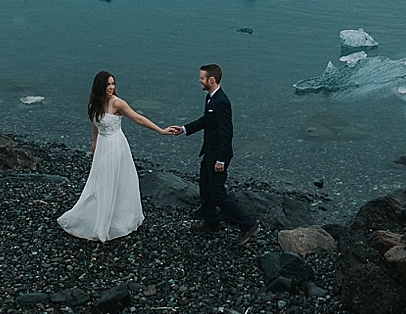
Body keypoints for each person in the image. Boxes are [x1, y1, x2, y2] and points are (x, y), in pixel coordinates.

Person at [58, 71, 180, 242]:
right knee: (100, 181)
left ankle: (116, 218)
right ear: (100, 86)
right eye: (108, 84)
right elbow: (95, 123)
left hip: (116, 146)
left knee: (116, 180)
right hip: (103, 146)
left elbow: (138, 119)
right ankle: (100, 214)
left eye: (113, 83)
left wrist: (161, 131)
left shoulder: (118, 103)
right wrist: (94, 142)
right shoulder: (94, 102)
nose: (112, 87)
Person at [172, 64, 259, 245]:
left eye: (202, 78)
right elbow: (206, 120)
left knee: (218, 193)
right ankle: (211, 223)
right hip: (209, 153)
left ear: (212, 80)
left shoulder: (221, 101)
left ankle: (248, 225)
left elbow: (227, 132)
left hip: (218, 156)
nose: (199, 80)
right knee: (204, 186)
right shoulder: (210, 98)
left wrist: (221, 159)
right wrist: (184, 129)